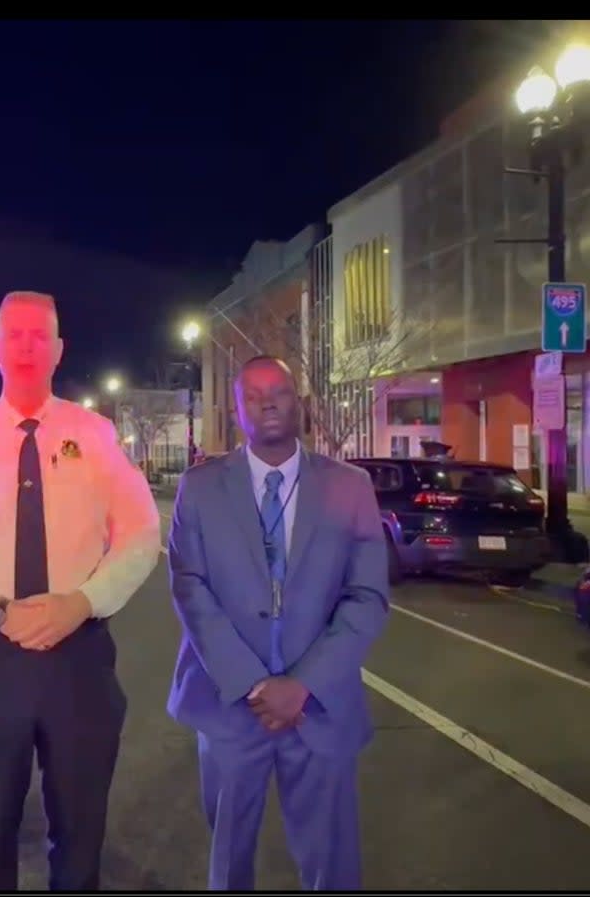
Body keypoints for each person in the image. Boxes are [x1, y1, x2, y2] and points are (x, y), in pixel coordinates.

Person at [0, 290, 161, 890]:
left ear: (59, 349)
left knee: (80, 836)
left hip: (80, 661)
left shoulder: (92, 434)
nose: (26, 346)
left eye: (39, 335)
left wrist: (83, 602)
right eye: (13, 334)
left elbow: (141, 534)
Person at [165, 354, 389, 890]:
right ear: (236, 410)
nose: (268, 402)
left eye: (280, 391)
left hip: (321, 707)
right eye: (253, 395)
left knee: (331, 862)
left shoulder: (349, 485)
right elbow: (190, 588)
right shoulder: (199, 488)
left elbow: (367, 595)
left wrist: (302, 685)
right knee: (228, 859)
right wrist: (251, 683)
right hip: (227, 704)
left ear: (299, 402)